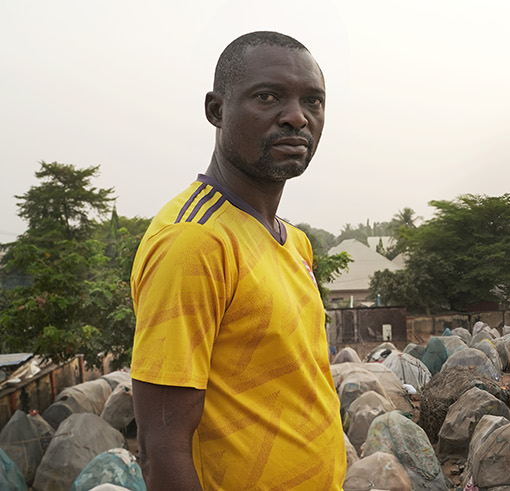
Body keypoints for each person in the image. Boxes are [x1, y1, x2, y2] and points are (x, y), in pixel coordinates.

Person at [130, 32, 343, 489]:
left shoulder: (295, 242)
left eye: (313, 101)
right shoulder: (194, 241)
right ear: (216, 110)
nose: (296, 117)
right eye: (268, 97)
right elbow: (161, 446)